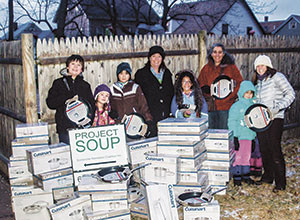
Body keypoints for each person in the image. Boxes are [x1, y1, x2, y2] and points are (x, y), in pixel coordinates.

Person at [252, 55, 295, 192]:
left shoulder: (277, 77)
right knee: (264, 148)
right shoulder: (258, 82)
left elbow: (290, 94)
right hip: (261, 120)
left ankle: (280, 183)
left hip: (275, 118)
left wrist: (277, 108)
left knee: (274, 148)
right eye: (257, 66)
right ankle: (268, 176)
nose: (260, 68)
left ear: (268, 66)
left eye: (262, 65)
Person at [46, 54, 95, 144]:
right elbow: (50, 103)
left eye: (79, 65)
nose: (75, 67)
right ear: (67, 67)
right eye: (73, 64)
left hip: (81, 128)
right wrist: (66, 97)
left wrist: (88, 121)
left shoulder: (85, 86)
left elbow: (91, 105)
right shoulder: (58, 83)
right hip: (65, 128)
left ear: (82, 69)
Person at [198, 43, 243, 129]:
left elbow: (239, 83)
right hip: (211, 108)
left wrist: (230, 97)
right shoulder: (206, 69)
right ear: (211, 54)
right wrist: (207, 94)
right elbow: (200, 85)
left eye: (220, 52)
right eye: (215, 52)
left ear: (224, 54)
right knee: (211, 134)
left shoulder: (231, 68)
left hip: (226, 107)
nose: (217, 55)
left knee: (224, 134)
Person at [135, 45, 174, 136]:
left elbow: (171, 93)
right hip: (150, 116)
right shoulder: (141, 74)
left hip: (166, 116)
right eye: (153, 56)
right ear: (149, 58)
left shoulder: (167, 73)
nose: (156, 59)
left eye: (159, 56)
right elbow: (138, 97)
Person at [110, 62, 154, 135]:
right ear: (117, 75)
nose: (124, 76)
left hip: (134, 121)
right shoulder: (112, 89)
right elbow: (108, 105)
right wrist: (111, 112)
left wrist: (148, 119)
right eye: (121, 74)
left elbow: (143, 105)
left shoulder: (135, 87)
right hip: (119, 123)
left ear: (129, 75)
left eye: (126, 73)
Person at [228, 81, 257, 186]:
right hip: (239, 136)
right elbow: (232, 121)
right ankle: (237, 177)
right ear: (241, 92)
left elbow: (256, 123)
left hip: (248, 136)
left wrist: (253, 137)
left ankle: (246, 176)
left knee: (246, 157)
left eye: (251, 93)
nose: (249, 95)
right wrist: (234, 136)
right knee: (238, 157)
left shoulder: (254, 106)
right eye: (246, 92)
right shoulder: (236, 106)